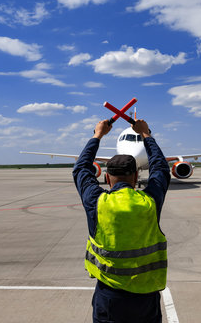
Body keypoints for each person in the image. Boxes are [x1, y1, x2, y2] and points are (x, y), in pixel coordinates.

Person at [73, 119, 171, 323]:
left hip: (109, 297)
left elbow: (81, 169)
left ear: (107, 178)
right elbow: (161, 168)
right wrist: (146, 134)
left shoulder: (97, 202)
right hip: (146, 296)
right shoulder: (150, 201)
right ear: (136, 176)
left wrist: (97, 135)